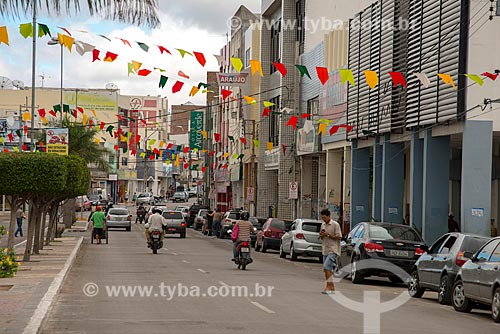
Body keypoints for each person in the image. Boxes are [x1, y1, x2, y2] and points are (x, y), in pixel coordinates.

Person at [319, 208, 342, 294]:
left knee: (326, 266)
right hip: (325, 249)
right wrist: (321, 235)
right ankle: (332, 287)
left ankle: (328, 287)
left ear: (329, 216)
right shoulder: (323, 225)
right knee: (327, 269)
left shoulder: (335, 225)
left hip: (333, 249)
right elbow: (321, 237)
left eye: (325, 217)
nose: (323, 219)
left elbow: (339, 237)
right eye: (322, 218)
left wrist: (328, 235)